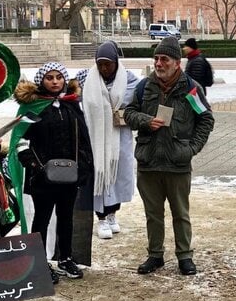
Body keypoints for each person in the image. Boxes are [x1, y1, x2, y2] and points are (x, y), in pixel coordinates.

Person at [124, 36, 215, 276]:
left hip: (178, 162)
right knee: (152, 214)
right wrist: (145, 121)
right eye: (156, 58)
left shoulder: (190, 88)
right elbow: (129, 113)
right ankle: (155, 255)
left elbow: (205, 119)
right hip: (149, 161)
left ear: (177, 62)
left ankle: (184, 256)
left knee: (180, 214)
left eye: (164, 59)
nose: (159, 63)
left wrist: (191, 148)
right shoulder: (145, 87)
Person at [15, 62, 94, 282]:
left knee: (66, 217)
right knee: (41, 219)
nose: (55, 81)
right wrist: (33, 165)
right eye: (49, 77)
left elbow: (83, 139)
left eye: (59, 77)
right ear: (42, 80)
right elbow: (20, 140)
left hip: (69, 176)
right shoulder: (33, 107)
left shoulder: (71, 105)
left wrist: (84, 166)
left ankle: (66, 257)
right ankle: (39, 262)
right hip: (43, 178)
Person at [76, 41, 140, 240]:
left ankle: (112, 214)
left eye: (108, 64)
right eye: (100, 64)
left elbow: (135, 107)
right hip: (95, 139)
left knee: (117, 177)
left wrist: (121, 115)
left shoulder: (130, 80)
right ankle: (101, 218)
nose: (104, 68)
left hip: (119, 138)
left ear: (116, 62)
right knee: (99, 175)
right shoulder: (87, 81)